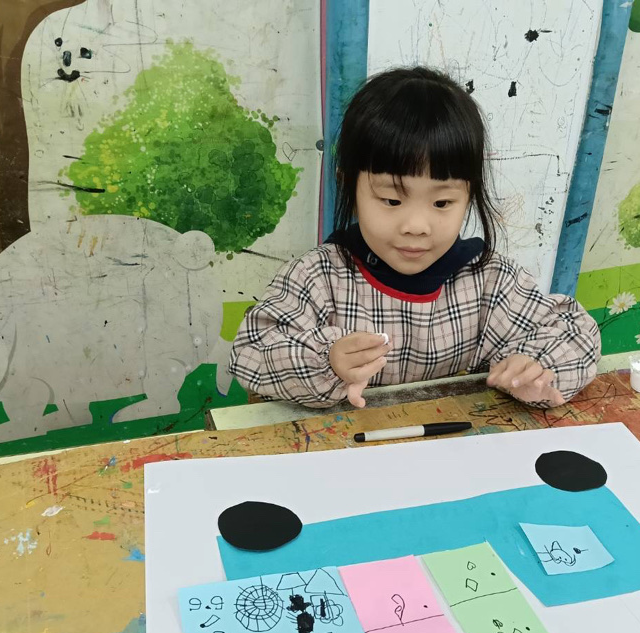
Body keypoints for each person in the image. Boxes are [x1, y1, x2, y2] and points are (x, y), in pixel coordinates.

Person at [229, 66, 600, 409]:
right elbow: (251, 352)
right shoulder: (319, 277)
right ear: (349, 187)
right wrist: (327, 360)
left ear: (469, 196)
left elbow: (575, 334)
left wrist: (536, 369)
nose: (417, 226)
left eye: (442, 202)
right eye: (392, 200)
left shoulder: (490, 281)